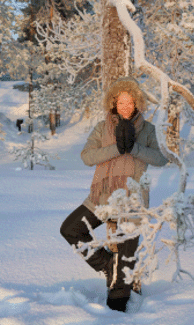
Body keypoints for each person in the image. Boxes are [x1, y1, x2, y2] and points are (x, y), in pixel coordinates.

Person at [60, 76, 169, 312]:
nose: (126, 107)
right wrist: (117, 149)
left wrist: (135, 148)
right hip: (102, 199)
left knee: (122, 280)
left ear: (137, 103)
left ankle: (116, 311)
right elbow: (87, 156)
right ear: (113, 103)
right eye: (121, 102)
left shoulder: (148, 129)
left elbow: (161, 158)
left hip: (132, 203)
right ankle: (108, 265)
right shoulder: (102, 127)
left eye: (130, 102)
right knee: (70, 229)